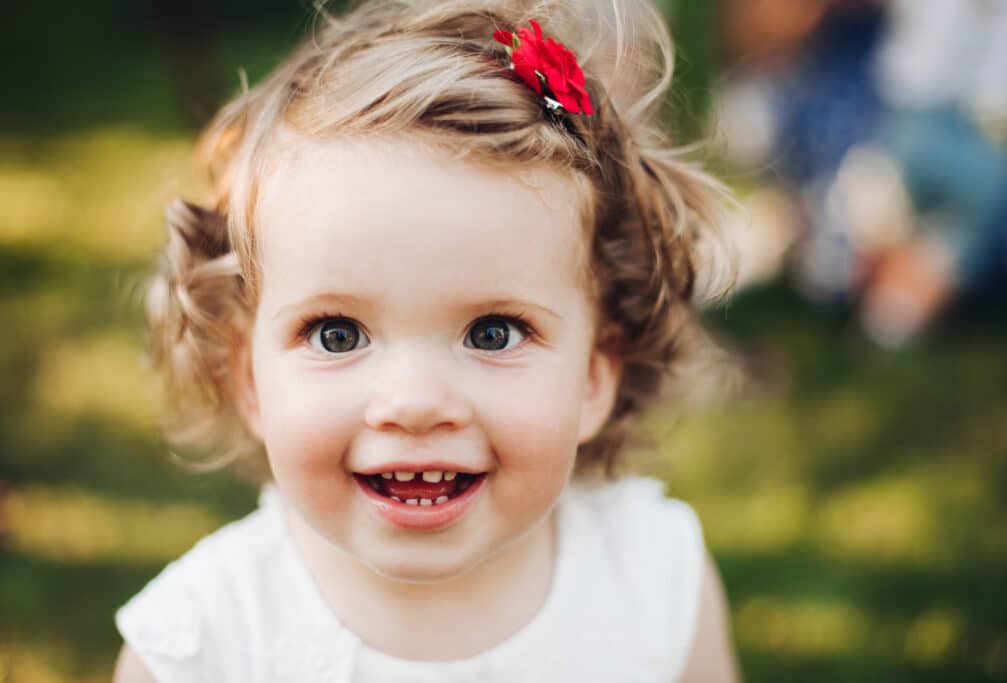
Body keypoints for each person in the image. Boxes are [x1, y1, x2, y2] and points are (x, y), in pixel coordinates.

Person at [113, 1, 742, 681]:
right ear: (249, 379)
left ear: (595, 376)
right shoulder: (202, 641)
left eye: (493, 332)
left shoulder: (655, 581)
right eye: (337, 333)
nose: (414, 402)